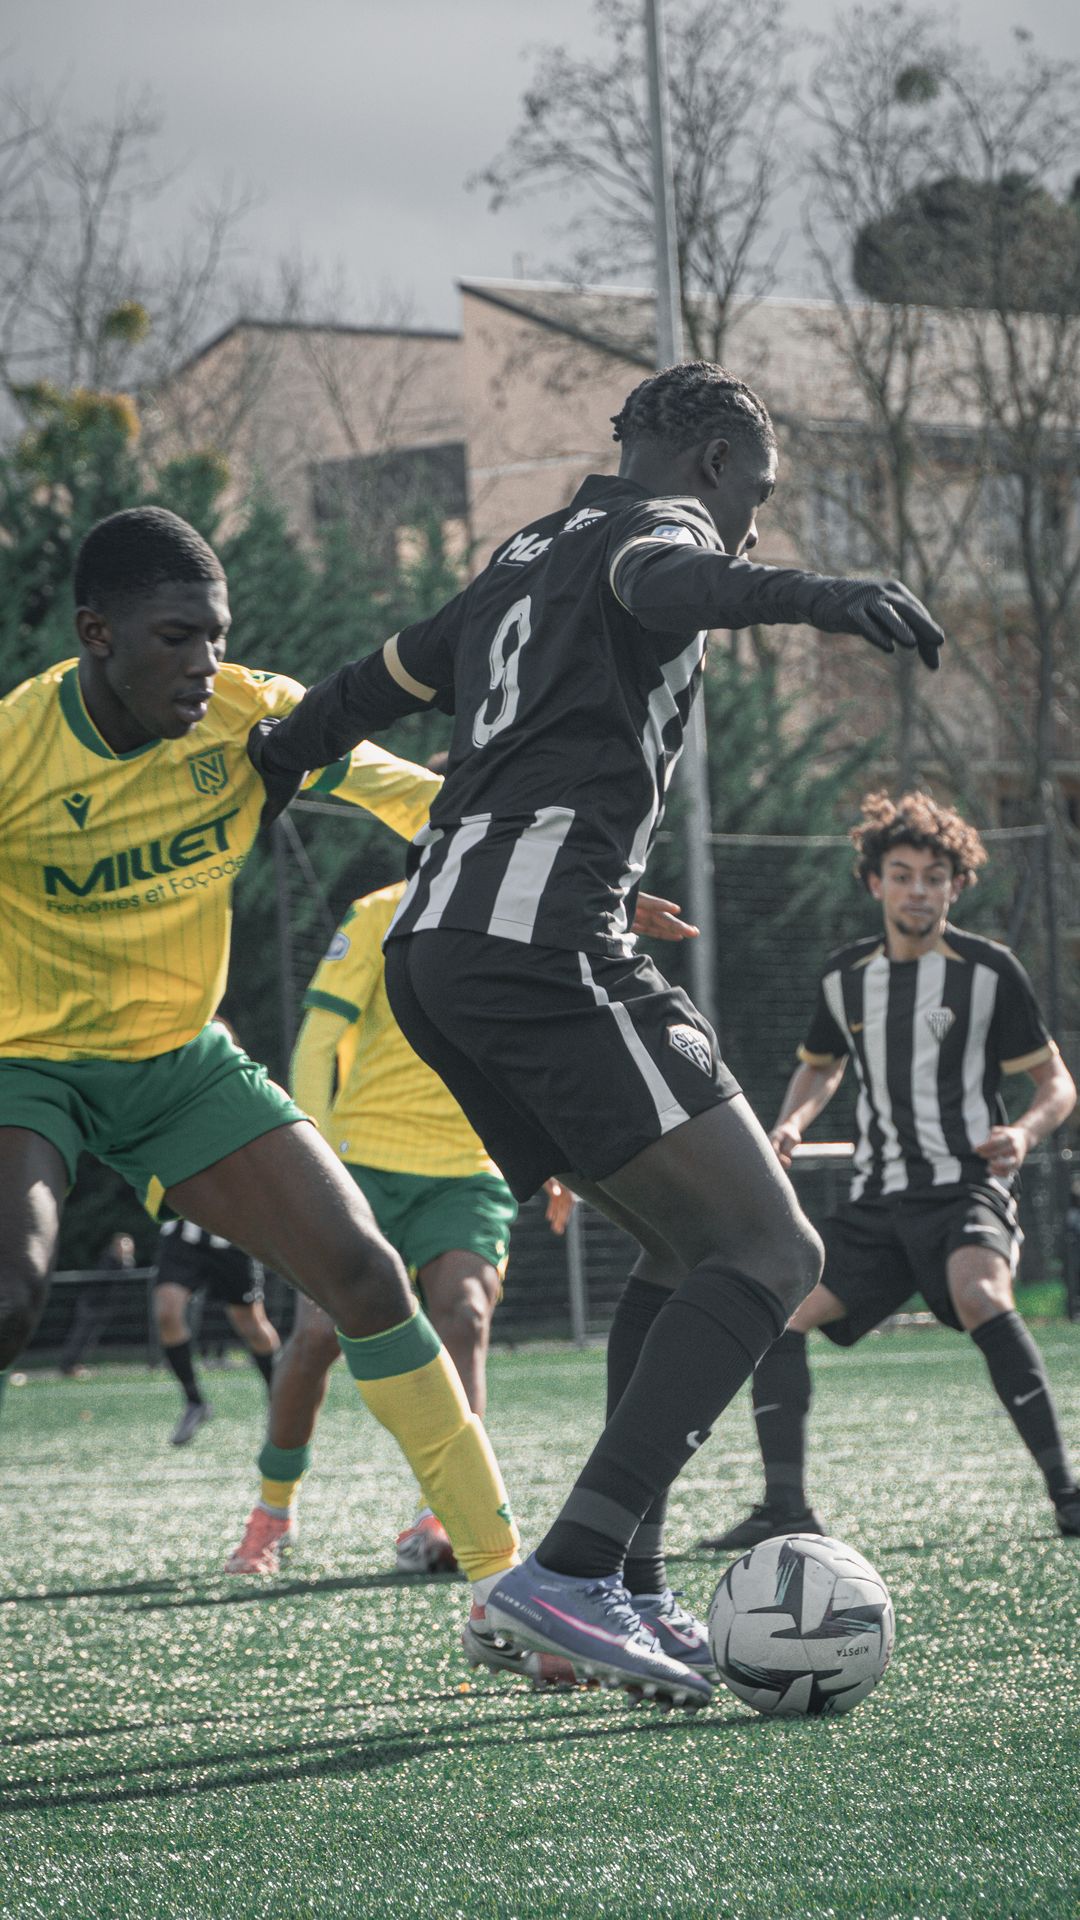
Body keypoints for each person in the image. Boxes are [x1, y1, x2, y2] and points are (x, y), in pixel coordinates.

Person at [248, 359, 945, 1708]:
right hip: (540, 945)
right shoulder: (653, 534)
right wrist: (823, 597)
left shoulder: (521, 556)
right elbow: (675, 585)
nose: (753, 519)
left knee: (685, 1251)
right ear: (716, 461)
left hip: (439, 947)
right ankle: (568, 1572)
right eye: (758, 491)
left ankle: (621, 1584)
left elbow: (372, 685)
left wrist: (275, 759)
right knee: (775, 1248)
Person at [0, 506, 521, 1610]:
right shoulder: (16, 751)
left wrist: (561, 875)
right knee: (12, 1290)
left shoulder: (249, 717)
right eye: (176, 638)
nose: (206, 663)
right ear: (96, 634)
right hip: (25, 1063)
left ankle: (508, 1585)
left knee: (366, 1274)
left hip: (177, 1066)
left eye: (217, 636)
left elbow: (410, 795)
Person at [698, 790, 1080, 1553]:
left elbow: (1056, 1083)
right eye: (902, 875)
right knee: (785, 1310)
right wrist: (792, 1122)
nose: (917, 891)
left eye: (934, 877)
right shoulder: (846, 976)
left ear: (956, 886)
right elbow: (820, 1066)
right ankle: (784, 1507)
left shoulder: (988, 971)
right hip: (876, 1204)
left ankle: (1067, 1494)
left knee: (980, 1293)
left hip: (963, 1186)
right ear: (875, 883)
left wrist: (1024, 1131)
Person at [226, 859, 572, 1577]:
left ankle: (441, 1517)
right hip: (362, 1166)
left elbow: (542, 1050)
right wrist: (314, 1157)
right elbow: (319, 1040)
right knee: (318, 1335)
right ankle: (272, 1511)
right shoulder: (380, 913)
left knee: (465, 1314)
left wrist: (557, 1154)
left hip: (469, 1171)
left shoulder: (521, 914)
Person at [153, 1216, 280, 1445]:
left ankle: (280, 1400)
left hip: (234, 1238)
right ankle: (195, 1402)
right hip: (183, 1236)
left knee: (251, 1325)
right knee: (166, 1313)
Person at [57, 1230, 136, 1378]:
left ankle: (75, 1365)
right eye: (124, 1244)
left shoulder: (126, 1263)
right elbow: (107, 1278)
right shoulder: (108, 1259)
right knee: (80, 1335)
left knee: (90, 1338)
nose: (127, 1248)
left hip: (104, 1306)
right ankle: (66, 1366)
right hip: (91, 1304)